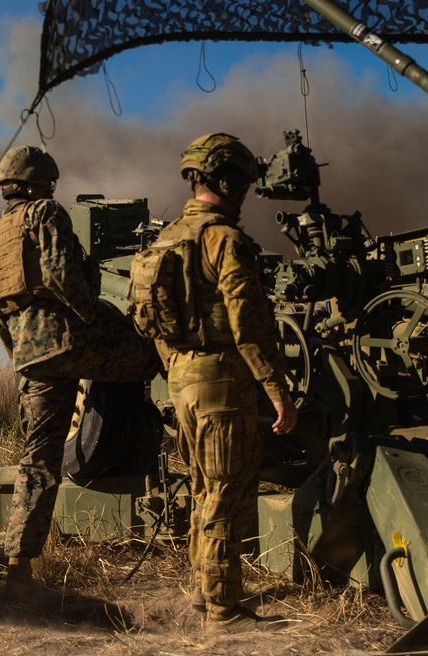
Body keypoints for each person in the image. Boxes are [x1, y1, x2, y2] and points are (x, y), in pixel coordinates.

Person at [0, 145, 160, 596]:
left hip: (31, 356)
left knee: (38, 461)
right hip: (67, 341)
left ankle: (18, 570)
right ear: (43, 181)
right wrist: (95, 316)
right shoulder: (45, 212)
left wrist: (20, 355)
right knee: (155, 356)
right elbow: (63, 275)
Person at [148, 133, 298, 630]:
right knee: (227, 494)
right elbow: (248, 326)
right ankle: (224, 613)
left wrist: (178, 366)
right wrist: (277, 391)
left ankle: (203, 594)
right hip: (221, 382)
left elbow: (147, 321)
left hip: (180, 380)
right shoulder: (225, 240)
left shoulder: (166, 238)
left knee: (202, 488)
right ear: (229, 180)